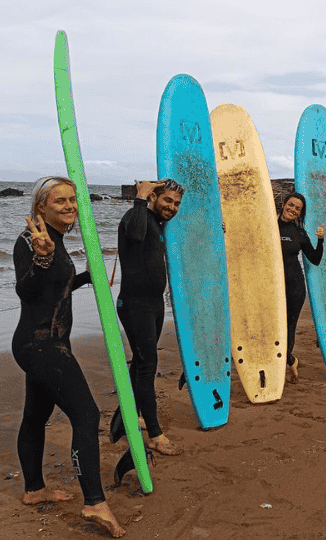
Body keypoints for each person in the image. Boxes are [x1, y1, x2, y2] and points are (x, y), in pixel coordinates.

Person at [12, 176, 125, 538]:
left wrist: (85, 279)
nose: (69, 206)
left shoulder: (55, 240)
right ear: (40, 207)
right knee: (87, 414)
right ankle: (94, 501)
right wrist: (42, 259)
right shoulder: (32, 240)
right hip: (40, 344)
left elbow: (54, 288)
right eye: (59, 200)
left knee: (35, 415)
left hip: (50, 343)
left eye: (73, 200)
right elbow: (27, 290)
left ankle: (34, 489)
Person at [111, 179, 184, 456]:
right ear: (153, 196)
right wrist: (140, 198)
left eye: (176, 204)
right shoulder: (135, 216)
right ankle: (153, 433)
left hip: (153, 304)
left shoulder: (157, 223)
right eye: (167, 200)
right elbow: (136, 236)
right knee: (146, 366)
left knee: (141, 362)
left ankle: (127, 416)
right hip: (135, 304)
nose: (172, 207)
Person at [277, 193, 324, 383]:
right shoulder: (268, 225)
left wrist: (320, 240)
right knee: (272, 324)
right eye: (291, 205)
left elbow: (315, 259)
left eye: (298, 209)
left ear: (300, 213)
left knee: (289, 326)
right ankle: (291, 360)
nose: (293, 209)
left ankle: (284, 363)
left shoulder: (299, 232)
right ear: (283, 204)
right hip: (272, 286)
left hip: (294, 286)